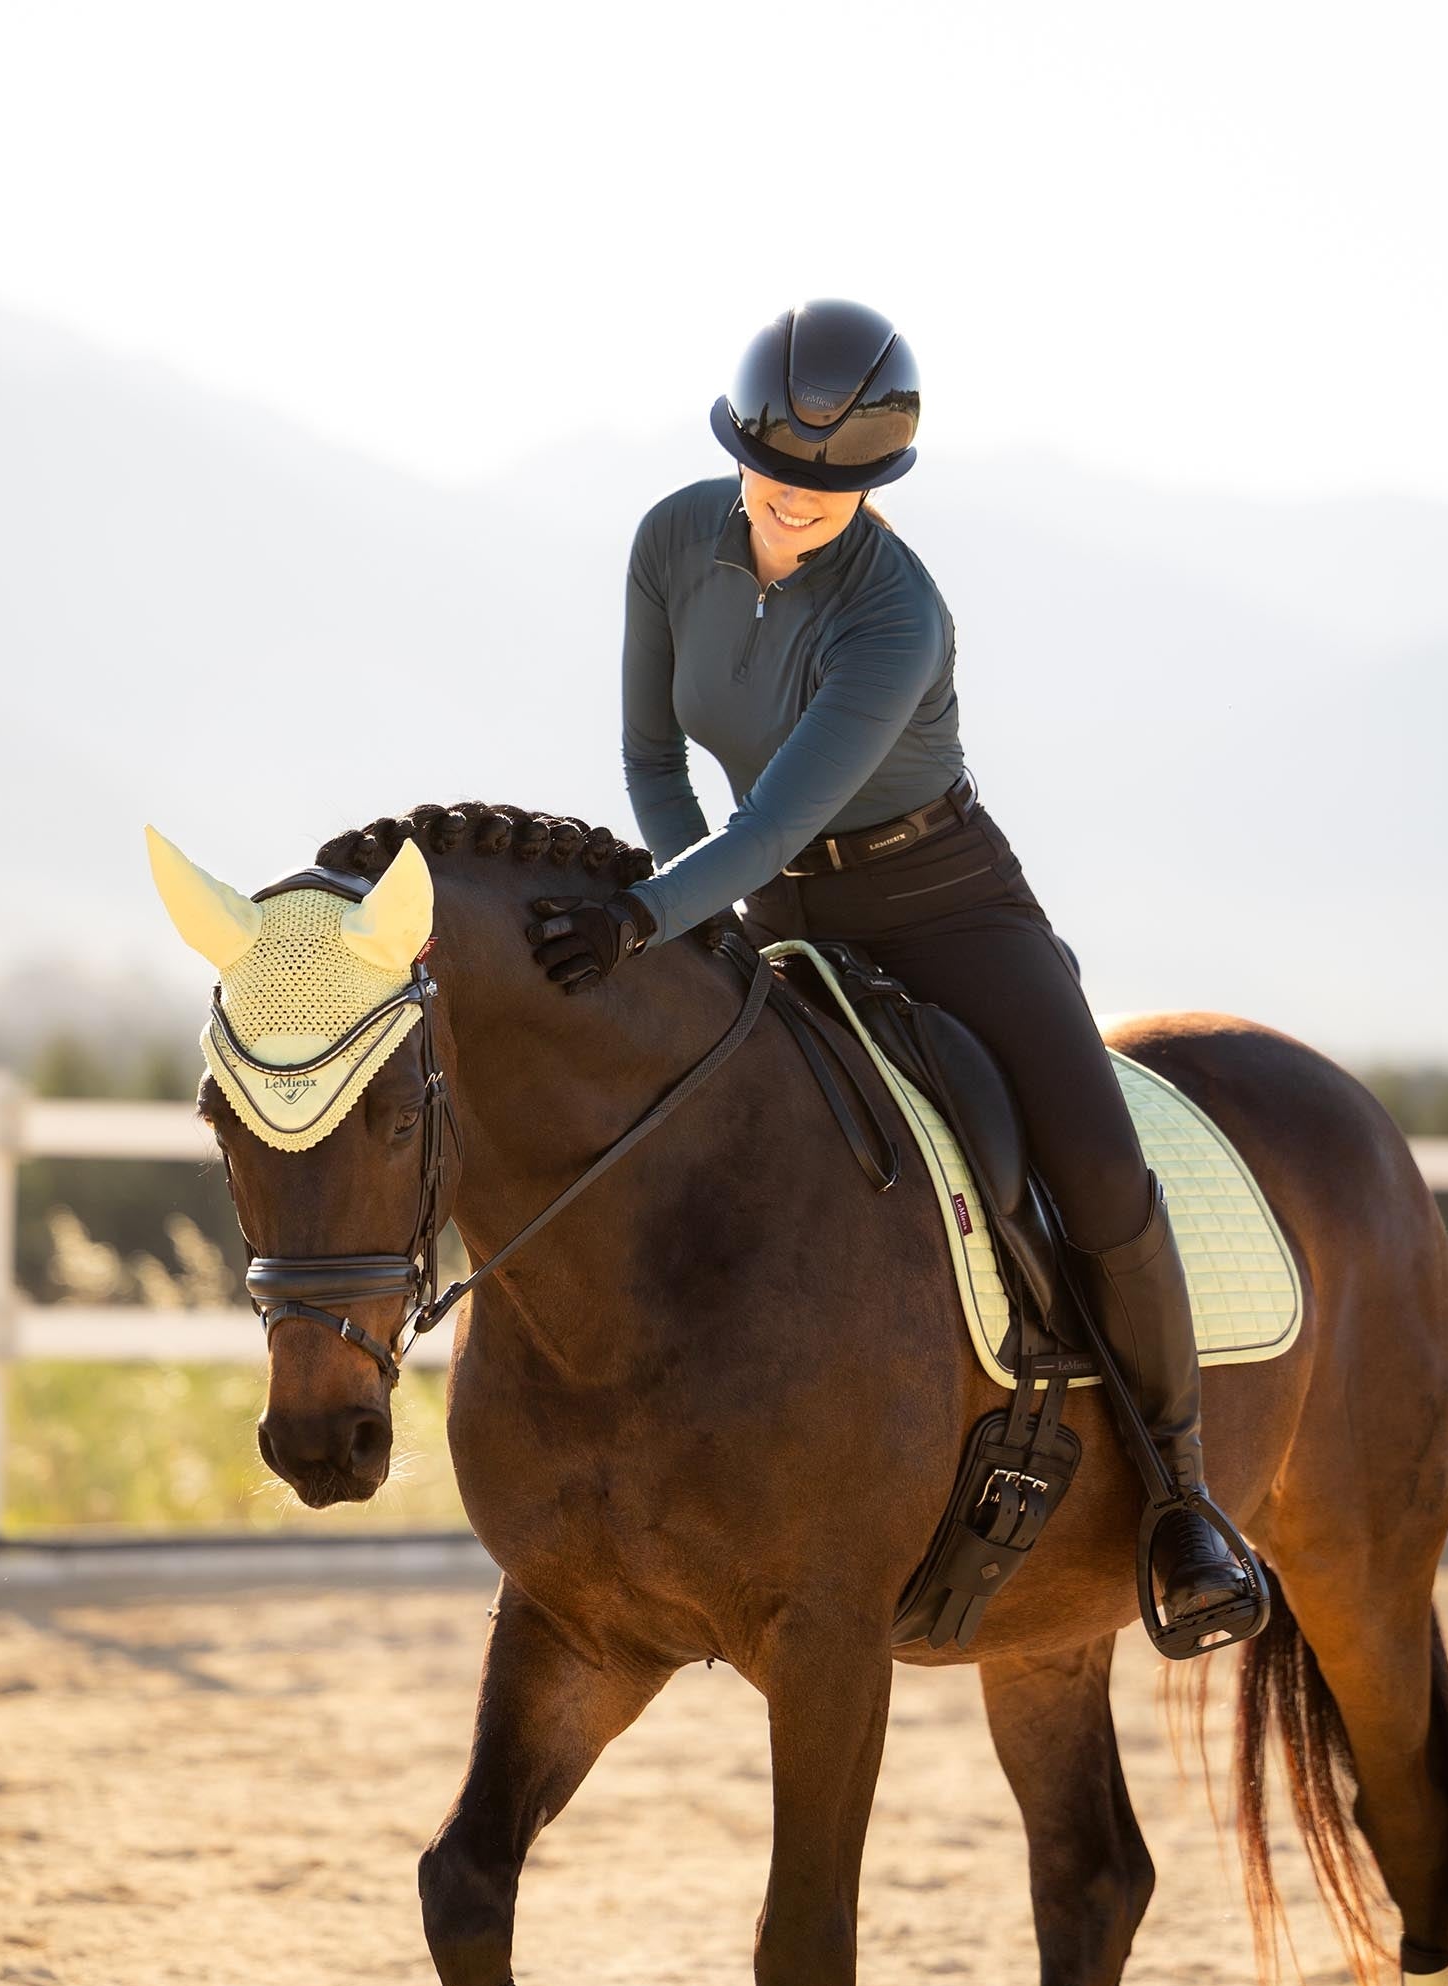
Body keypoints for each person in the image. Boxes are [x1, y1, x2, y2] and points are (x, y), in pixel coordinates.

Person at [526, 297, 1249, 1623]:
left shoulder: (897, 616)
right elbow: (651, 759)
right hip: (768, 898)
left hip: (946, 904)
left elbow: (779, 814)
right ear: (736, 449)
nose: (799, 502)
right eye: (779, 475)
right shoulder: (672, 539)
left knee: (1092, 1160)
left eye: (836, 486)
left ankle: (1184, 1507)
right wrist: (692, 916)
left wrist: (648, 918)